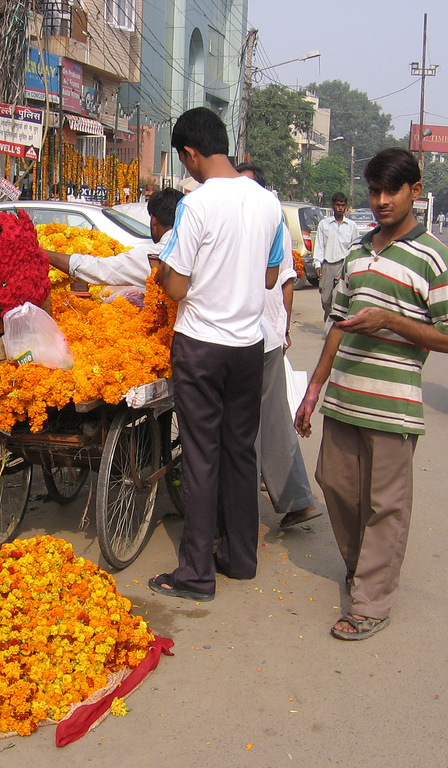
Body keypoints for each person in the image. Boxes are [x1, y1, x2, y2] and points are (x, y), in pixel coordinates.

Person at [294, 148, 448, 640]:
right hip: (345, 397)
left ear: (416, 191)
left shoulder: (436, 257)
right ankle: (363, 569)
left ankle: (371, 602)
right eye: (374, 191)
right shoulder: (356, 250)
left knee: (385, 503)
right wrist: (313, 390)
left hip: (393, 403)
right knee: (334, 483)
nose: (382, 200)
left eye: (392, 190)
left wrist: (392, 321)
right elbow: (337, 325)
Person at [148, 107, 285, 602]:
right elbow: (270, 276)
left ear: (189, 153)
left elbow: (178, 285)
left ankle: (196, 574)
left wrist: (167, 272)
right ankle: (240, 559)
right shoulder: (269, 203)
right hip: (248, 345)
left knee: (202, 457)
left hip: (203, 344)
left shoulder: (197, 204)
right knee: (238, 453)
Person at [236, 162, 319, 528]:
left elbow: (285, 281)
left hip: (262, 331)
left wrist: (284, 328)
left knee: (254, 421)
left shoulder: (272, 226)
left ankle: (246, 507)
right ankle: (295, 498)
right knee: (270, 420)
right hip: (256, 332)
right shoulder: (242, 220)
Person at [43, 188, 183, 286]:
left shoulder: (152, 255)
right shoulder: (198, 248)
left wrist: (44, 254)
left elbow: (99, 269)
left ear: (153, 220)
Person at [312, 193, 359, 321]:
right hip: (328, 265)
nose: (340, 208)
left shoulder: (351, 226)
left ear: (346, 207)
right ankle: (328, 318)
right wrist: (317, 264)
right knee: (326, 299)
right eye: (338, 205)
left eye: (343, 205)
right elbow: (320, 245)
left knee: (337, 300)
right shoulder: (324, 224)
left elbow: (355, 248)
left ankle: (333, 327)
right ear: (333, 206)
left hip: (343, 265)